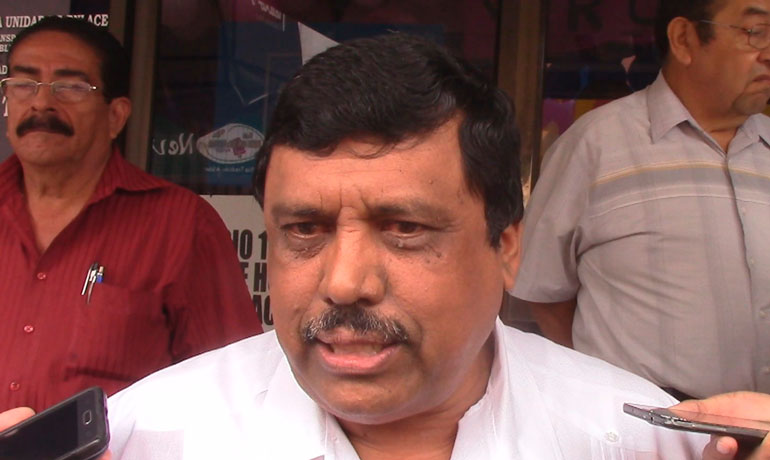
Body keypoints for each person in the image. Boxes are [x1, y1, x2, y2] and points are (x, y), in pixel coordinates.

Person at [93, 33, 708, 459]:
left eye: (405, 229)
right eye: (304, 229)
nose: (344, 282)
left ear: (506, 247)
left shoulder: (645, 442)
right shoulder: (138, 440)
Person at [0, 16, 262, 412]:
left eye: (70, 87)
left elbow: (236, 389)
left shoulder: (180, 225)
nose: (41, 103)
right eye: (23, 84)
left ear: (115, 117)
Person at [512, 0, 770, 399]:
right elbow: (543, 293)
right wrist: (606, 393)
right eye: (756, 32)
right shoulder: (596, 144)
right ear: (684, 39)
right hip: (641, 425)